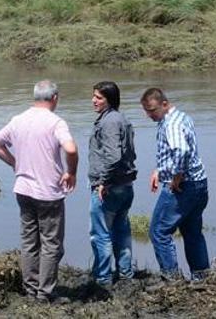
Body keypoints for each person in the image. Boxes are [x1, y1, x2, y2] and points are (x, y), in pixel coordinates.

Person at [0, 80, 78, 303]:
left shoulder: (18, 119)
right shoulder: (56, 122)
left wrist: (14, 163)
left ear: (35, 97)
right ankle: (45, 293)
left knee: (29, 242)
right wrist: (71, 172)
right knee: (51, 244)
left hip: (23, 190)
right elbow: (71, 149)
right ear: (55, 98)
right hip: (48, 192)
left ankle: (30, 290)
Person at [141, 87, 209, 281]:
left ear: (164, 104)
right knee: (192, 232)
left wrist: (176, 176)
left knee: (159, 232)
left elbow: (181, 151)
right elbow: (178, 151)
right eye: (146, 111)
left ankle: (171, 280)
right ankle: (201, 278)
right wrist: (159, 170)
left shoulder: (171, 123)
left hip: (183, 186)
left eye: (152, 110)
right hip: (199, 183)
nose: (149, 115)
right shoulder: (182, 117)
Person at [88, 81, 137, 288]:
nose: (94, 101)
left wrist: (103, 181)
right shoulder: (121, 118)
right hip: (126, 185)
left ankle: (103, 278)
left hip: (109, 187)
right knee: (122, 230)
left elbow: (114, 156)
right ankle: (125, 274)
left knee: (101, 234)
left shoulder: (108, 122)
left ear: (110, 99)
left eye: (99, 97)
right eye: (94, 96)